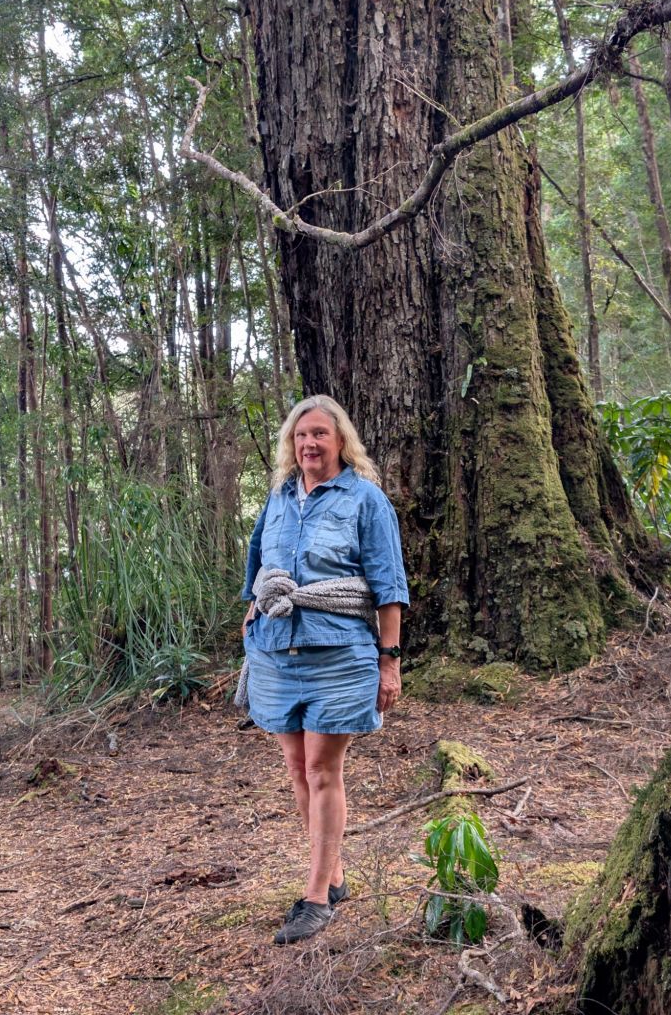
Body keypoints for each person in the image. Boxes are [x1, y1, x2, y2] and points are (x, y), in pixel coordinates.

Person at [241, 395, 409, 945]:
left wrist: (389, 661)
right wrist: (252, 615)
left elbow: (389, 586)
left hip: (339, 652)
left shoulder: (365, 499)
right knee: (296, 767)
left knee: (321, 769)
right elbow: (257, 568)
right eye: (300, 435)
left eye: (319, 433)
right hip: (276, 651)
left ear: (340, 442)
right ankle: (333, 876)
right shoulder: (278, 498)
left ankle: (315, 898)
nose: (309, 443)